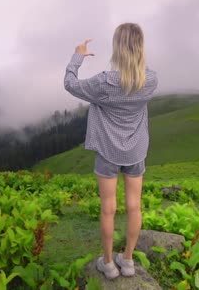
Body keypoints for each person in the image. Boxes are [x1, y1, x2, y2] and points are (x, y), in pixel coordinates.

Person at [63, 22, 158, 279]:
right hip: (136, 150)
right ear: (140, 48)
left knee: (108, 208)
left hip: (107, 151)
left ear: (117, 47)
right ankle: (127, 260)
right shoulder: (150, 80)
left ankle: (108, 264)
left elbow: (70, 84)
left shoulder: (105, 82)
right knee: (134, 206)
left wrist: (78, 56)